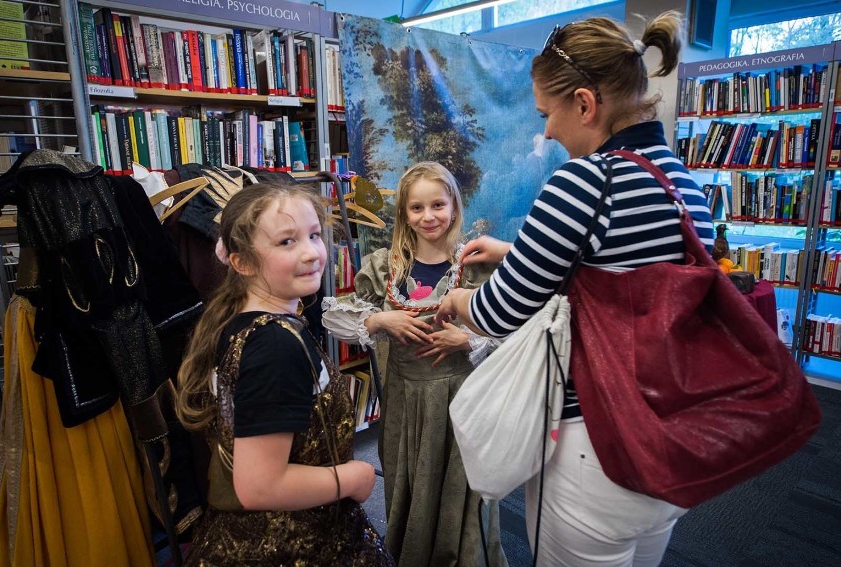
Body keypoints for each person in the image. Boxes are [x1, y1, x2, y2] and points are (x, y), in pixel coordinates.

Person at [435, 12, 714, 567]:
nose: (546, 134)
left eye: (547, 115)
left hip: (598, 446)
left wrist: (454, 301)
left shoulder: (585, 180)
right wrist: (516, 253)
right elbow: (620, 275)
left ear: (586, 104)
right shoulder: (682, 183)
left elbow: (499, 311)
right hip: (673, 438)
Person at [175, 182, 394, 565]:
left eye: (313, 235)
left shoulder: (242, 320)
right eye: (286, 242)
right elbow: (259, 485)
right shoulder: (275, 345)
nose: (311, 252)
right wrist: (353, 476)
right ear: (242, 261)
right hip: (287, 542)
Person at [322, 161, 507, 567]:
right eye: (416, 208)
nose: (428, 217)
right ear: (404, 213)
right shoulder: (386, 266)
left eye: (437, 205)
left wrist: (469, 338)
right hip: (405, 402)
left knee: (462, 490)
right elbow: (337, 319)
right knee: (410, 486)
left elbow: (513, 332)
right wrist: (379, 320)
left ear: (454, 207)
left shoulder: (475, 265)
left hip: (462, 399)